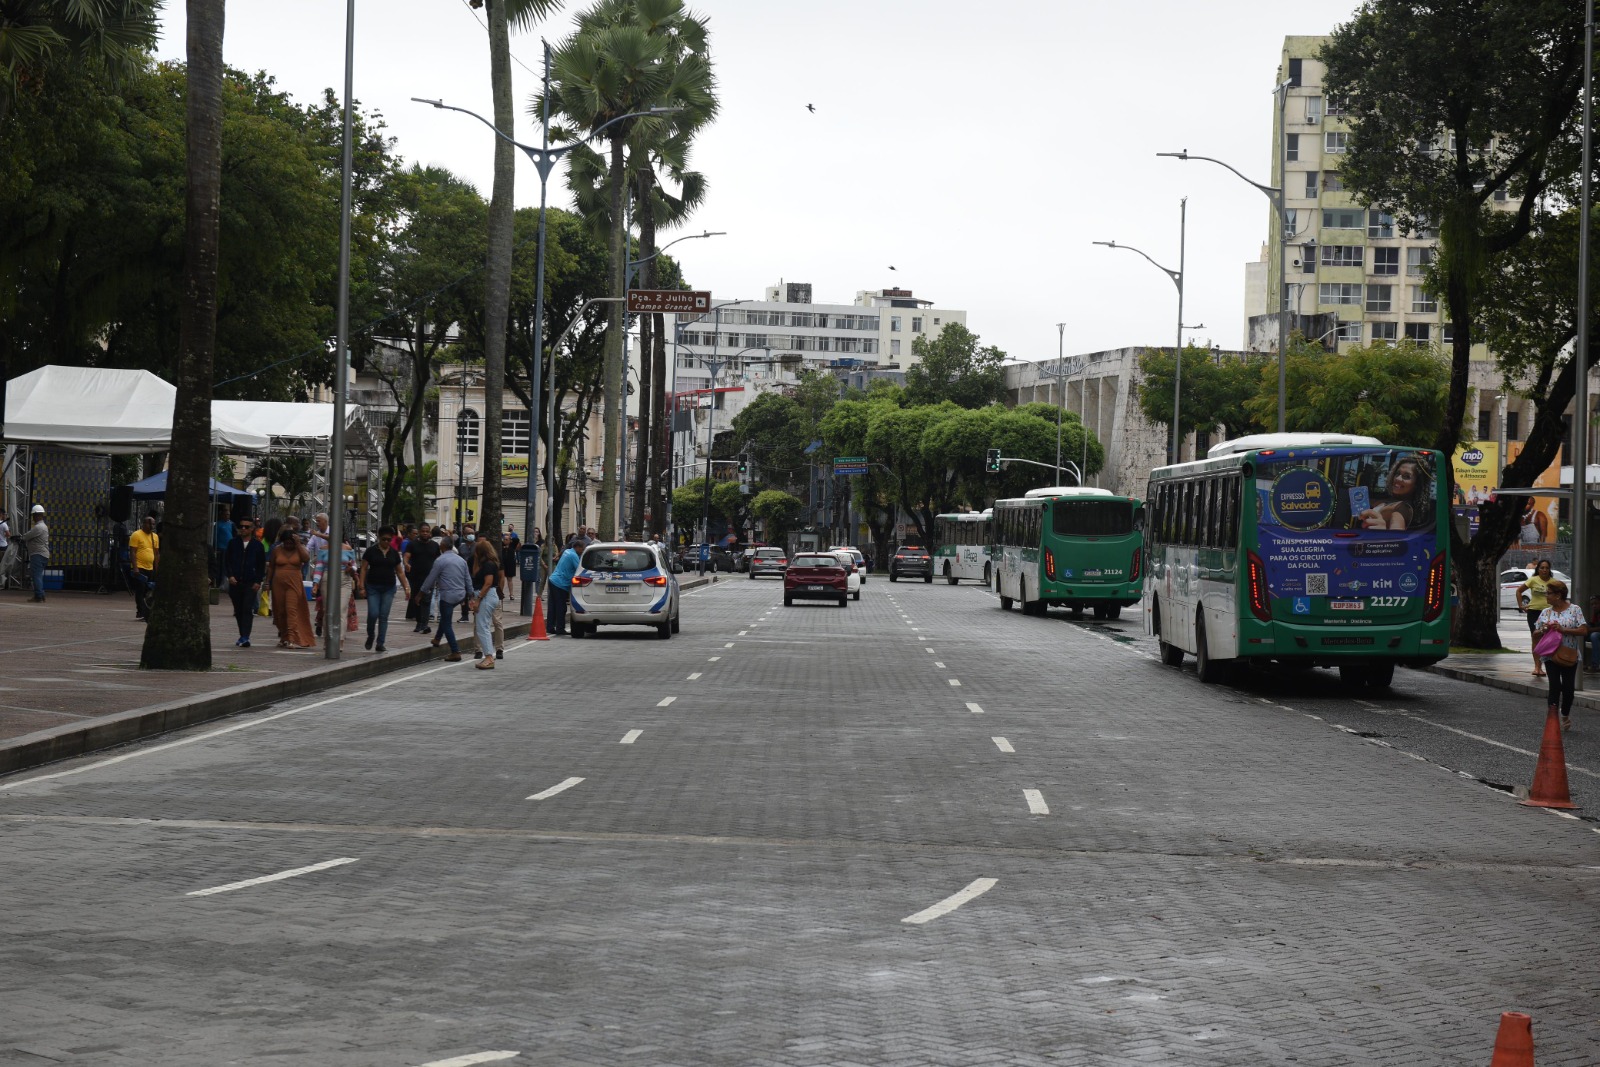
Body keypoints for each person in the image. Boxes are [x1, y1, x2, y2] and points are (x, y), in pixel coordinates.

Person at [1535, 579, 1587, 731]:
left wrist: (1563, 630)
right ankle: (1552, 718)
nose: (1546, 596)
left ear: (1558, 595)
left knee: (1569, 689)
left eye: (1549, 593)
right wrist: (1543, 629)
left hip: (1570, 655)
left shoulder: (1575, 609)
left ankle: (1564, 713)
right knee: (1555, 686)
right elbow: (1535, 632)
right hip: (1550, 655)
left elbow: (1583, 630)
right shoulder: (1546, 612)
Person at [417, 535, 470, 662]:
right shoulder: (461, 560)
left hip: (447, 596)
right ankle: (437, 639)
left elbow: (431, 579)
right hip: (460, 594)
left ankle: (455, 651)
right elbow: (467, 578)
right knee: (445, 617)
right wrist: (471, 594)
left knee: (446, 623)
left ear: (443, 546)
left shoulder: (440, 560)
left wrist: (421, 593)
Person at [358, 525, 408, 653]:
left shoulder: (394, 553)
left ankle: (380, 643)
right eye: (384, 539)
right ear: (379, 538)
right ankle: (371, 635)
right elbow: (363, 568)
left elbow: (400, 572)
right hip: (373, 587)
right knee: (373, 613)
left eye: (389, 540)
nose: (386, 542)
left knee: (383, 616)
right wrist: (361, 586)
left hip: (389, 588)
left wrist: (406, 587)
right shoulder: (371, 551)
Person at [267, 526, 314, 649]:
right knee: (279, 611)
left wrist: (298, 544)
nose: (288, 545)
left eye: (291, 543)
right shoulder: (277, 550)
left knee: (291, 609)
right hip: (278, 583)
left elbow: (306, 558)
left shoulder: (299, 549)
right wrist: (267, 582)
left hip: (294, 583)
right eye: (286, 543)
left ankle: (292, 638)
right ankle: (284, 636)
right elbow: (271, 566)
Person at [1355, 455, 1430, 531]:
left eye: (1406, 476)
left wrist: (1383, 531)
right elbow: (1374, 502)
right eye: (1397, 473)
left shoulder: (1402, 508)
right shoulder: (1392, 501)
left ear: (1417, 485)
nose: (1397, 478)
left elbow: (1397, 536)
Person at [224, 518, 267, 647]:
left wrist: (258, 580)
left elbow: (261, 564)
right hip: (235, 582)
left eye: (246, 527)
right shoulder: (233, 543)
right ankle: (242, 634)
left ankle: (245, 636)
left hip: (250, 582)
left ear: (252, 529)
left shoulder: (257, 545)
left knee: (247, 608)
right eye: (241, 526)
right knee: (238, 609)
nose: (243, 529)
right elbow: (227, 561)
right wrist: (230, 575)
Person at [469, 538, 505, 669]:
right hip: (486, 596)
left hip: (486, 596)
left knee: (482, 626)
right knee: (483, 626)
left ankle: (489, 656)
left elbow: (488, 583)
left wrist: (478, 599)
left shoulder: (489, 565)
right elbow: (475, 574)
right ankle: (488, 655)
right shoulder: (486, 564)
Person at [1517, 559, 1555, 677]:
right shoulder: (1533, 580)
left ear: (1549, 570)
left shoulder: (1554, 583)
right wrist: (1521, 606)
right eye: (1542, 568)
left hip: (1548, 613)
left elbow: (1560, 596)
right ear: (1538, 569)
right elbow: (1519, 591)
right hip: (1534, 612)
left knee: (1546, 638)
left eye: (1546, 568)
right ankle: (1537, 667)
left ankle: (1545, 666)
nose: (1544, 570)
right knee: (1536, 636)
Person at [547, 535, 585, 636]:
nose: (582, 551)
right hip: (560, 583)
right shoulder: (573, 556)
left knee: (553, 606)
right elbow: (579, 570)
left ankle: (550, 627)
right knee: (561, 607)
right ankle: (560, 628)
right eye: (582, 549)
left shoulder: (567, 551)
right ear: (577, 547)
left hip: (553, 579)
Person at [406, 524, 441, 632]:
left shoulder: (434, 545)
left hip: (429, 577)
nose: (425, 533)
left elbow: (438, 559)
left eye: (427, 531)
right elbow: (406, 556)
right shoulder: (412, 544)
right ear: (420, 532)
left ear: (430, 532)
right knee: (416, 599)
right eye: (423, 531)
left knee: (426, 600)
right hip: (415, 577)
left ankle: (424, 624)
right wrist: (406, 563)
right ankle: (419, 623)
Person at [127, 514, 161, 620]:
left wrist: (157, 568)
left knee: (148, 591)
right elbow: (132, 552)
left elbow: (156, 553)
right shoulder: (136, 535)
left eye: (154, 524)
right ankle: (141, 611)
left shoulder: (155, 536)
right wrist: (135, 567)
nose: (152, 526)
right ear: (145, 523)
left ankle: (146, 611)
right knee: (140, 589)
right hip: (140, 567)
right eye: (150, 523)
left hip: (150, 568)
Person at [22, 504, 49, 603]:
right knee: (38, 575)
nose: (33, 518)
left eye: (34, 515)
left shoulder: (38, 527)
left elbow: (27, 536)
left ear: (37, 515)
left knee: (36, 575)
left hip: (38, 554)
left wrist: (20, 538)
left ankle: (38, 596)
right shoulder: (43, 526)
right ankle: (41, 594)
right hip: (42, 554)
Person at [211, 504, 233, 587]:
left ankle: (224, 583)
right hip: (221, 548)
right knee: (220, 566)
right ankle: (218, 583)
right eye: (226, 514)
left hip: (229, 548)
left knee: (227, 566)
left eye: (228, 514)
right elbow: (215, 536)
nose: (227, 516)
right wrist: (215, 547)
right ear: (222, 515)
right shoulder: (218, 524)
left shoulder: (231, 524)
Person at [1585, 594, 1600, 674]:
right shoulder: (1596, 613)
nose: (1594, 606)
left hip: (1597, 635)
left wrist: (1590, 629)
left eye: (1596, 603)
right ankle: (1583, 663)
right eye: (1592, 604)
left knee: (1594, 635)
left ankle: (1595, 665)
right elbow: (1592, 624)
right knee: (1582, 634)